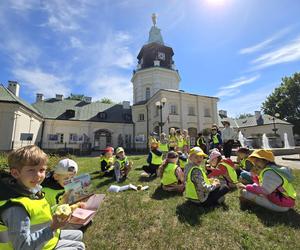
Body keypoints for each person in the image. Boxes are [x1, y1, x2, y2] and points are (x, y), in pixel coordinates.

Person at [0, 145, 85, 250]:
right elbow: (22, 247)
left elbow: (40, 214)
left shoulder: (30, 189)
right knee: (79, 247)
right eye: (31, 170)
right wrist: (53, 227)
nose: (38, 175)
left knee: (79, 235)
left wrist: (71, 207)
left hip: (43, 239)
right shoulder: (15, 207)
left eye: (41, 169)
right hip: (34, 245)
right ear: (15, 173)